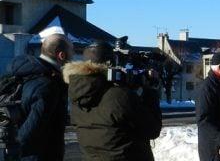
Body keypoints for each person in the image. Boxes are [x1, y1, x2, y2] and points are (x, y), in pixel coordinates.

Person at [63, 41, 161, 161]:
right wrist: (150, 91)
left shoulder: (77, 99)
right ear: (110, 64)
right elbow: (153, 129)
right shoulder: (120, 96)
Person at [5, 33, 73, 161]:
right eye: (71, 53)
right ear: (61, 55)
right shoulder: (48, 84)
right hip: (37, 155)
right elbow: (33, 127)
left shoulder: (26, 73)